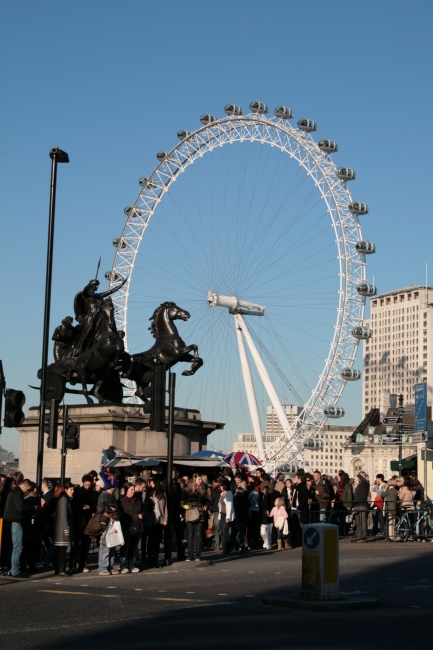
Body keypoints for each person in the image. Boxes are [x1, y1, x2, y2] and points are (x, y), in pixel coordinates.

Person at [3, 478, 35, 577]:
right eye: (28, 489)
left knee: (13, 547)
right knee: (17, 547)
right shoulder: (17, 493)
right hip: (16, 521)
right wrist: (33, 508)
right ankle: (15, 570)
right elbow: (21, 507)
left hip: (10, 521)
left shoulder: (12, 492)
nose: (27, 491)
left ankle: (11, 568)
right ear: (24, 486)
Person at [69, 474, 96, 573]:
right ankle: (72, 565)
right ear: (83, 483)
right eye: (86, 484)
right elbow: (73, 504)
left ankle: (82, 565)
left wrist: (89, 508)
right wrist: (81, 506)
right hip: (78, 520)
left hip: (87, 521)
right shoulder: (78, 491)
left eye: (89, 485)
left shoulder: (93, 494)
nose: (88, 486)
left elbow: (95, 506)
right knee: (75, 545)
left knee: (85, 545)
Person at [181, 474, 207, 561]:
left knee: (199, 535)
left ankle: (198, 554)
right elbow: (182, 502)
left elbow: (207, 502)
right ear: (195, 480)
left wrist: (204, 508)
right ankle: (190, 554)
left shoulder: (203, 489)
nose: (201, 481)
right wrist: (188, 508)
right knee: (190, 535)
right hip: (190, 514)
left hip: (200, 514)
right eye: (199, 479)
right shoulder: (187, 490)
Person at [119, 483, 143, 573]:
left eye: (133, 489)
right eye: (131, 490)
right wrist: (136, 516)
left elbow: (142, 510)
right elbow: (122, 514)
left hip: (137, 526)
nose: (133, 491)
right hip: (127, 526)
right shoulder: (122, 501)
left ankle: (132, 564)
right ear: (126, 490)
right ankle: (123, 565)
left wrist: (141, 515)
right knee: (126, 546)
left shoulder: (137, 500)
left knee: (133, 546)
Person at [54, 483, 75, 576]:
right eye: (71, 489)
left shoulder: (66, 499)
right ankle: (61, 569)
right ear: (65, 490)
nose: (72, 491)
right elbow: (63, 515)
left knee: (62, 549)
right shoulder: (63, 500)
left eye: (73, 489)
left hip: (61, 527)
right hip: (62, 528)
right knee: (62, 549)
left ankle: (58, 568)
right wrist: (66, 529)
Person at [147, 476, 167, 568]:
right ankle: (150, 561)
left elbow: (165, 507)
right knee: (151, 541)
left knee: (157, 541)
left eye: (152, 483)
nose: (151, 485)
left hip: (160, 519)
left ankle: (156, 561)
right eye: (150, 483)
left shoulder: (162, 493)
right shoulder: (149, 493)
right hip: (152, 519)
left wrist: (165, 519)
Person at [351, 472, 370, 543]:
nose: (359, 478)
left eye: (360, 477)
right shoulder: (358, 485)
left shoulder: (366, 484)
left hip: (362, 505)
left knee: (363, 522)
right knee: (358, 523)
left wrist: (359, 474)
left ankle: (363, 537)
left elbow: (363, 479)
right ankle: (359, 536)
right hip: (356, 505)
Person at [219, 480, 235, 555]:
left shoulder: (229, 494)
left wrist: (228, 516)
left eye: (221, 485)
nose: (220, 487)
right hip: (222, 514)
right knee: (222, 532)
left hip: (227, 515)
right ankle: (225, 549)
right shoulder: (222, 493)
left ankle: (232, 544)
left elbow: (229, 505)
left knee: (225, 531)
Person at [233, 486, 249, 552]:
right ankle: (241, 545)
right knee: (242, 532)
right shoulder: (243, 500)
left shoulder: (235, 499)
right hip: (242, 517)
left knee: (237, 532)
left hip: (237, 517)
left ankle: (237, 546)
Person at [259, 484, 274, 550]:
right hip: (262, 516)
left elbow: (272, 505)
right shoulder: (260, 496)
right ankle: (265, 541)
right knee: (262, 532)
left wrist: (269, 510)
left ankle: (269, 544)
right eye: (265, 491)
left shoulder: (271, 497)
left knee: (269, 532)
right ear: (262, 490)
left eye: (267, 491)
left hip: (269, 516)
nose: (266, 492)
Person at [246, 481, 260, 549]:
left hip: (249, 511)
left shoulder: (247, 493)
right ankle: (255, 542)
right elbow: (258, 501)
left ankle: (249, 544)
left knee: (249, 528)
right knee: (256, 527)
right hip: (256, 510)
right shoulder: (256, 493)